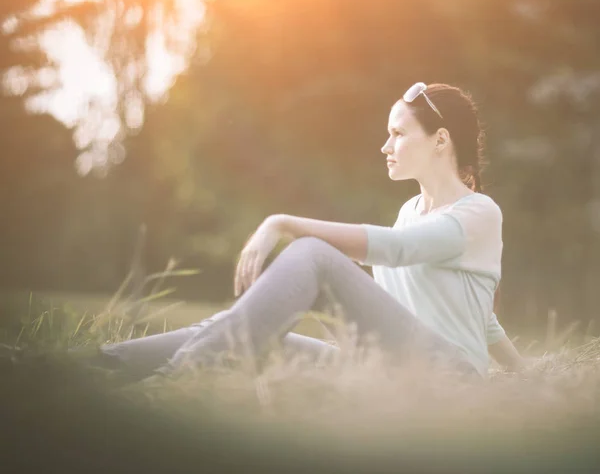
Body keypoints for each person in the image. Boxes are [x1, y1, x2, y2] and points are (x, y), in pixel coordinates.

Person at [93, 82, 525, 383]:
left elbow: (397, 250)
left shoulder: (479, 213)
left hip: (447, 379)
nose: (385, 146)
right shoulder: (410, 210)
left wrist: (283, 223)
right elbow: (478, 314)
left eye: (397, 134)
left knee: (313, 254)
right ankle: (85, 367)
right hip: (388, 370)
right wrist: (526, 374)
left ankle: (176, 381)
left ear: (440, 140)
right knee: (248, 331)